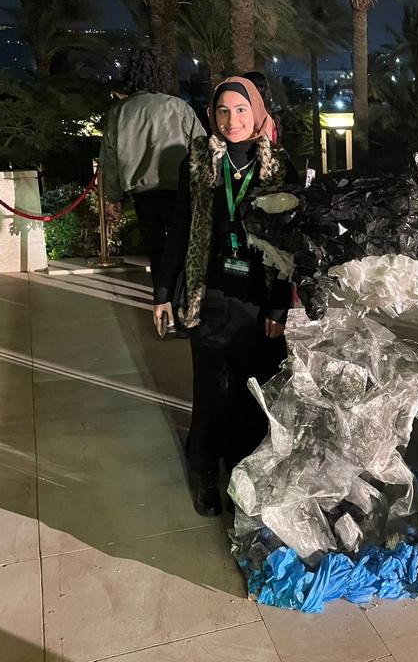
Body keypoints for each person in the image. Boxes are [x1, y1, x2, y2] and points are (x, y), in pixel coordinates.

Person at [153, 76, 299, 517]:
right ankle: (203, 469)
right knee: (211, 388)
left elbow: (290, 243)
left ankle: (240, 473)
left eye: (240, 110)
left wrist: (279, 305)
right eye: (222, 110)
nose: (231, 120)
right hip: (210, 291)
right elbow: (180, 227)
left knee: (253, 393)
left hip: (258, 297)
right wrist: (163, 292)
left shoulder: (279, 167)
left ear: (257, 112)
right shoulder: (199, 161)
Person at [100, 49, 205, 293]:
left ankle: (162, 299)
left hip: (143, 195)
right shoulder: (178, 107)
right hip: (179, 192)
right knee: (181, 248)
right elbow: (201, 149)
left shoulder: (119, 112)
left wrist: (113, 197)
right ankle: (181, 299)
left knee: (155, 251)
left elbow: (109, 160)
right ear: (161, 74)